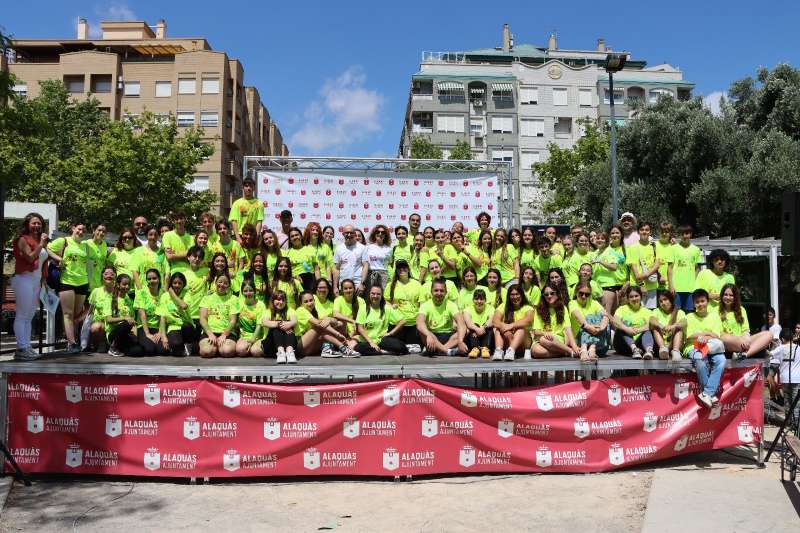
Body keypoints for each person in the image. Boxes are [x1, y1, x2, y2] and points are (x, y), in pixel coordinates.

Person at [47, 221, 90, 353]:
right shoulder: (63, 241)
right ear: (73, 228)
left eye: (83, 230)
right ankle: (71, 343)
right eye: (79, 229)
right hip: (67, 281)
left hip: (82, 282)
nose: (81, 232)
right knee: (68, 313)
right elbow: (47, 248)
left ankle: (75, 341)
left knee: (76, 315)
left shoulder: (85, 245)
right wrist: (59, 259)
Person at [10, 213, 48, 360]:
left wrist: (44, 280)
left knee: (29, 316)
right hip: (24, 279)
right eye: (34, 223)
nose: (37, 226)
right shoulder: (22, 239)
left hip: (36, 281)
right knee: (22, 315)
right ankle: (21, 348)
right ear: (27, 224)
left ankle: (27, 346)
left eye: (39, 223)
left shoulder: (40, 241)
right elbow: (30, 257)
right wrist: (41, 244)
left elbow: (45, 260)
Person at [683, 288, 726, 407]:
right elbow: (689, 335)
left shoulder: (714, 316)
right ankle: (709, 394)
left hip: (711, 347)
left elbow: (716, 335)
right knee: (700, 359)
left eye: (702, 301)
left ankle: (706, 393)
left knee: (722, 360)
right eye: (697, 302)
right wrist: (706, 334)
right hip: (693, 347)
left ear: (707, 301)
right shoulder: (689, 316)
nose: (700, 304)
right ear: (693, 304)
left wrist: (703, 335)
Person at [294, 291, 360, 358]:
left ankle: (328, 349)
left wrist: (330, 320)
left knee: (338, 324)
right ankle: (343, 348)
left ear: (314, 300)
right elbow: (319, 324)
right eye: (306, 301)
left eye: (311, 300)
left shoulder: (313, 312)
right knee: (319, 327)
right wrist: (337, 334)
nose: (309, 303)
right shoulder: (300, 310)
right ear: (301, 303)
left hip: (310, 347)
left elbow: (329, 324)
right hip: (301, 347)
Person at [719, 284, 773, 359]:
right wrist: (739, 340)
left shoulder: (741, 309)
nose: (728, 297)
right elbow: (719, 333)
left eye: (731, 295)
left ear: (735, 297)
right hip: (728, 343)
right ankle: (757, 350)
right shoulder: (715, 311)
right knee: (724, 337)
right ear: (722, 296)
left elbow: (745, 331)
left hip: (743, 342)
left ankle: (744, 355)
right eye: (725, 295)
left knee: (769, 334)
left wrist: (746, 340)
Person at [416, 278, 467, 356]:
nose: (439, 293)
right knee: (422, 331)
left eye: (442, 291)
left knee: (465, 330)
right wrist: (428, 335)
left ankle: (440, 351)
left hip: (449, 337)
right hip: (432, 337)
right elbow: (419, 323)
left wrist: (460, 341)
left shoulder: (451, 304)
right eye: (436, 290)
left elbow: (461, 323)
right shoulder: (426, 305)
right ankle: (447, 351)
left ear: (446, 292)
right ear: (431, 292)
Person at [353, 286, 410, 355]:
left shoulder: (386, 308)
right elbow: (360, 328)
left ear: (381, 295)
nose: (375, 296)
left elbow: (403, 321)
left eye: (378, 294)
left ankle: (378, 351)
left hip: (381, 340)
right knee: (359, 348)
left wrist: (390, 333)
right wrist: (371, 342)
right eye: (373, 293)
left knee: (400, 347)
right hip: (367, 340)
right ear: (369, 294)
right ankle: (383, 351)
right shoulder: (363, 308)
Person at [531, 282, 578, 358]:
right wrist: (544, 333)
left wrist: (575, 346)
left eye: (552, 293)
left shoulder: (563, 308)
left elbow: (568, 329)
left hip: (557, 339)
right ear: (543, 296)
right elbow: (536, 331)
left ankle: (570, 351)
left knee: (543, 340)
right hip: (541, 339)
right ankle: (567, 352)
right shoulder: (538, 309)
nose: (549, 296)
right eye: (546, 294)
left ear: (557, 294)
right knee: (536, 351)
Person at [198, 273, 240, 358]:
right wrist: (210, 334)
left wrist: (224, 335)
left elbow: (233, 320)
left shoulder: (233, 299)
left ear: (229, 286)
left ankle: (218, 348)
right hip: (210, 332)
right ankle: (215, 348)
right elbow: (202, 318)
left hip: (227, 333)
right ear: (215, 283)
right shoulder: (207, 298)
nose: (222, 285)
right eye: (220, 282)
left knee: (227, 351)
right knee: (206, 352)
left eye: (225, 283)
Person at [100, 273, 142, 357]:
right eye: (124, 284)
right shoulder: (109, 299)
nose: (127, 287)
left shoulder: (129, 300)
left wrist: (135, 337)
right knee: (126, 323)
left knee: (138, 351)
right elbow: (109, 320)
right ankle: (113, 347)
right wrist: (124, 318)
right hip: (113, 334)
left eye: (129, 285)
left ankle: (119, 348)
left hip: (126, 334)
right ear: (118, 285)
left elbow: (133, 321)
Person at [157, 272, 197, 356]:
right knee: (174, 344)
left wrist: (173, 295)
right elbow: (163, 317)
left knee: (187, 326)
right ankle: (179, 348)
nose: (177, 285)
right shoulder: (164, 296)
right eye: (174, 283)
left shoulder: (187, 293)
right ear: (171, 284)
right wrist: (163, 336)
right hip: (173, 326)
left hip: (186, 327)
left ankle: (188, 345)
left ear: (183, 284)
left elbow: (184, 306)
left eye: (180, 283)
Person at [384, 260, 422, 347]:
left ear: (408, 269)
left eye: (404, 267)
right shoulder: (390, 285)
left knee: (414, 349)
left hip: (413, 322)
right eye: (399, 268)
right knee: (399, 348)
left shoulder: (417, 284)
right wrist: (391, 306)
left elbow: (421, 303)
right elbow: (385, 301)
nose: (402, 269)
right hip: (397, 324)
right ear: (396, 271)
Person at [491, 284, 534, 361]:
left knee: (520, 329)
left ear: (521, 295)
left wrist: (511, 326)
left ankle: (512, 350)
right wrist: (504, 328)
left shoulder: (528, 308)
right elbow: (495, 321)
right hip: (507, 339)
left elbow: (528, 320)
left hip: (523, 343)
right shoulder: (503, 306)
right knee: (498, 330)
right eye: (512, 295)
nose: (515, 297)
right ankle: (498, 351)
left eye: (517, 294)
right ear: (509, 296)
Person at [569, 281, 609, 362]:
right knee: (589, 318)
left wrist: (599, 329)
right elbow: (579, 318)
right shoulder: (572, 303)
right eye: (581, 293)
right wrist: (590, 327)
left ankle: (591, 348)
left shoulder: (594, 303)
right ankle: (586, 349)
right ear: (576, 292)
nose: (584, 296)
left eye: (587, 294)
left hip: (599, 344)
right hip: (579, 342)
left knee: (599, 318)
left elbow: (606, 316)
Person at [611, 286, 655, 359]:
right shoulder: (622, 309)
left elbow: (651, 325)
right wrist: (627, 329)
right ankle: (634, 349)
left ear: (641, 297)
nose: (634, 299)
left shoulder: (647, 311)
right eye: (631, 297)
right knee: (622, 326)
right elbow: (615, 321)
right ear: (628, 299)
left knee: (647, 331)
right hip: (623, 345)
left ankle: (649, 351)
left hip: (640, 344)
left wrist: (639, 330)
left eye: (636, 296)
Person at [769, 328, 800, 428]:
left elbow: (769, 355)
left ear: (782, 339)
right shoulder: (798, 348)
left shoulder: (780, 348)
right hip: (797, 379)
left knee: (787, 402)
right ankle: (796, 425)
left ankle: (789, 423)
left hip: (785, 379)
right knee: (796, 403)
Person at [626, 222, 660, 309]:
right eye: (642, 230)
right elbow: (634, 270)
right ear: (638, 232)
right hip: (636, 286)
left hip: (652, 285)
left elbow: (657, 265)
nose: (644, 232)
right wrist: (641, 285)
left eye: (647, 230)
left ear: (650, 232)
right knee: (636, 311)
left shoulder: (655, 246)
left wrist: (645, 275)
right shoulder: (632, 247)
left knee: (650, 312)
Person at [592, 229, 625, 316]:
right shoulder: (594, 253)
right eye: (598, 238)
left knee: (606, 314)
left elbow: (614, 267)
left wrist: (600, 261)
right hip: (596, 287)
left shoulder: (610, 251)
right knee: (599, 314)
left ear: (606, 241)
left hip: (607, 286)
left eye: (602, 238)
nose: (599, 240)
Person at [134, 268, 168, 355]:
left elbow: (163, 315)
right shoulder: (141, 293)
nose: (152, 281)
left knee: (163, 350)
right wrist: (147, 334)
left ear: (159, 279)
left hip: (158, 328)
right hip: (144, 328)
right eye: (149, 279)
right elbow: (142, 314)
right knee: (150, 350)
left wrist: (160, 332)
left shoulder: (164, 294)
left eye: (154, 278)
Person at [261, 290, 298, 363]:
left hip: (287, 343)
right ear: (273, 300)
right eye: (278, 299)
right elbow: (265, 322)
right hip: (271, 345)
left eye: (283, 300)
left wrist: (288, 325)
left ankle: (290, 352)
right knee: (276, 328)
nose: (280, 302)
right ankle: (280, 352)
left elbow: (294, 321)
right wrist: (280, 325)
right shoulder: (267, 311)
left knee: (290, 327)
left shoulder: (290, 310)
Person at [672, 225, 702, 312]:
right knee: (675, 312)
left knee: (689, 313)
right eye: (682, 234)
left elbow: (697, 268)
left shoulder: (696, 250)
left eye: (687, 233)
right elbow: (669, 268)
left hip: (690, 289)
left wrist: (694, 283)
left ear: (691, 234)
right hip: (676, 288)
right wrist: (671, 285)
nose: (685, 236)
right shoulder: (673, 248)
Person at [649, 290, 686, 362]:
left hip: (674, 342)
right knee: (655, 328)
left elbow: (684, 322)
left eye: (665, 299)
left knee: (679, 329)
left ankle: (676, 351)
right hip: (661, 343)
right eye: (661, 301)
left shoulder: (680, 312)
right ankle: (663, 349)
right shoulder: (656, 311)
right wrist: (660, 326)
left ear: (671, 300)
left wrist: (673, 326)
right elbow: (651, 320)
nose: (663, 303)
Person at [87, 266, 117, 352]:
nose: (109, 276)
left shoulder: (119, 291)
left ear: (115, 276)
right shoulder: (96, 291)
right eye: (106, 274)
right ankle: (102, 343)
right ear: (102, 276)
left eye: (112, 274)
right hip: (101, 323)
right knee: (96, 327)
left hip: (114, 322)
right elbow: (90, 310)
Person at [234, 279, 266, 357]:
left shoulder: (261, 305)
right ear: (242, 292)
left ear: (255, 291)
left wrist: (253, 340)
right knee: (240, 351)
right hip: (244, 336)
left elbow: (259, 325)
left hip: (258, 336)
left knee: (256, 352)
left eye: (251, 290)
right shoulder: (239, 303)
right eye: (245, 291)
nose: (248, 293)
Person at [132, 225, 168, 291]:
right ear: (146, 236)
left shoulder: (162, 253)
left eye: (155, 235)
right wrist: (140, 290)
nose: (153, 237)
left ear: (158, 236)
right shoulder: (138, 251)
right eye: (150, 235)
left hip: (159, 291)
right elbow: (135, 273)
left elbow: (166, 273)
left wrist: (165, 290)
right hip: (143, 290)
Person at [333, 225, 366, 295]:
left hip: (357, 285)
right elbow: (336, 269)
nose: (349, 235)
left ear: (354, 234)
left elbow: (365, 266)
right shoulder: (338, 249)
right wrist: (335, 287)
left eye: (351, 233)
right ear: (343, 234)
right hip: (343, 285)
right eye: (346, 233)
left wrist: (362, 283)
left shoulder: (362, 248)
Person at [463, 289, 494, 359]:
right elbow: (469, 323)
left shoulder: (491, 308)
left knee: (490, 327)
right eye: (476, 299)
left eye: (481, 299)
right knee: (473, 326)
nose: (479, 301)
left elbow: (491, 320)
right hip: (473, 335)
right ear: (473, 300)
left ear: (485, 300)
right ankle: (475, 349)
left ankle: (485, 349)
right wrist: (477, 329)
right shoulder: (467, 309)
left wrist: (483, 328)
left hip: (485, 334)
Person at [285, 227, 318, 293]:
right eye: (292, 236)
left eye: (296, 235)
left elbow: (316, 269)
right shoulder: (287, 253)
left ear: (301, 236)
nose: (295, 237)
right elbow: (286, 272)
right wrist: (294, 277)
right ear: (290, 240)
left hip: (310, 280)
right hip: (295, 281)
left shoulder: (310, 249)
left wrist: (318, 283)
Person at [363, 224, 393, 291]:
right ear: (374, 234)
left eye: (383, 232)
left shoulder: (389, 249)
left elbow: (390, 263)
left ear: (385, 235)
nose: (380, 234)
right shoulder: (368, 247)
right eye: (378, 232)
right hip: (370, 274)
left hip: (384, 275)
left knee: (383, 294)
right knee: (370, 294)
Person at [84, 223, 108, 292]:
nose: (101, 233)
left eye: (104, 231)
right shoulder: (86, 244)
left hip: (100, 283)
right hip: (87, 283)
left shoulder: (104, 244)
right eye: (99, 230)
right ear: (94, 231)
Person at [655, 222, 675, 292]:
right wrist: (659, 276)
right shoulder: (654, 245)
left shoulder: (674, 246)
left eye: (666, 232)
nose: (664, 234)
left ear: (670, 233)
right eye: (662, 232)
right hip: (656, 285)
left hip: (671, 286)